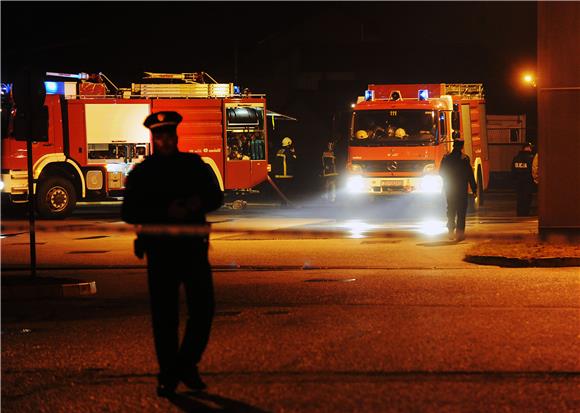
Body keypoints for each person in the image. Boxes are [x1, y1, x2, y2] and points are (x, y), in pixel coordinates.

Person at [121, 111, 223, 398]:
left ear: (176, 137)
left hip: (192, 249)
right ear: (153, 139)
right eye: (159, 136)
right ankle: (169, 375)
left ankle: (186, 363)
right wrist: (164, 212)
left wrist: (195, 203)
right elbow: (128, 212)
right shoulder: (143, 172)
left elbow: (216, 197)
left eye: (168, 135)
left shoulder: (193, 165)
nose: (164, 140)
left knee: (203, 310)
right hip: (161, 252)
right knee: (164, 318)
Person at [439, 139, 477, 241]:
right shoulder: (464, 159)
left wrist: (448, 180)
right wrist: (474, 189)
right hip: (461, 189)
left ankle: (451, 231)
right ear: (462, 147)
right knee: (461, 211)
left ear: (453, 146)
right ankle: (460, 233)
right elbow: (470, 175)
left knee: (451, 209)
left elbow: (441, 172)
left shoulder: (446, 158)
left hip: (450, 188)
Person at [511, 142, 535, 216]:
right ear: (527, 148)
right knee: (527, 199)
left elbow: (513, 171)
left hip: (518, 182)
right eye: (530, 147)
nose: (531, 149)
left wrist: (515, 180)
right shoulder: (531, 158)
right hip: (528, 182)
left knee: (519, 198)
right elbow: (533, 170)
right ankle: (525, 213)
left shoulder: (516, 158)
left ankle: (519, 213)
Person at [273, 136, 297, 206]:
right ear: (288, 144)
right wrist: (293, 153)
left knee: (281, 190)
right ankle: (285, 204)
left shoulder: (279, 151)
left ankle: (283, 203)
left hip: (278, 174)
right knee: (286, 190)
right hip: (286, 174)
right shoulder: (287, 152)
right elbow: (293, 160)